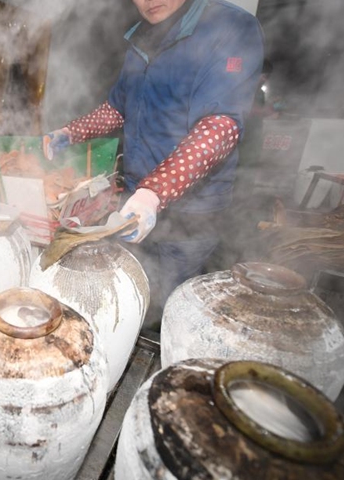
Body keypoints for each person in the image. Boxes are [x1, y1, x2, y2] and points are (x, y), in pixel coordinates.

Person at [45, 0, 264, 325]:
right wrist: (70, 132)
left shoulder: (231, 28)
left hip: (190, 217)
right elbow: (118, 108)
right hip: (135, 208)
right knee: (129, 302)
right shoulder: (140, 40)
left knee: (171, 312)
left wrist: (155, 191)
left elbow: (221, 126)